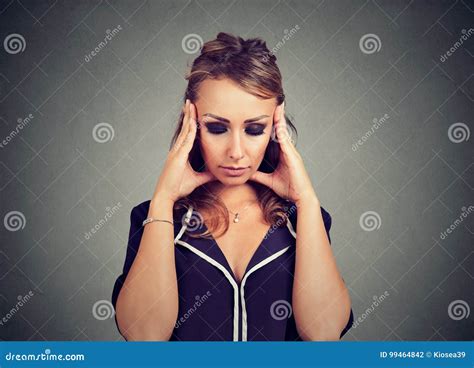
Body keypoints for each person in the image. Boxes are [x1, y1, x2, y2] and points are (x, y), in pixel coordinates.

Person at [111, 32, 354, 341]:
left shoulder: (302, 218)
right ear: (192, 122)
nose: (236, 151)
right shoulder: (157, 218)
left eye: (254, 129)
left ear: (274, 127)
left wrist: (305, 200)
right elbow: (145, 336)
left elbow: (323, 333)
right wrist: (163, 198)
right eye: (217, 128)